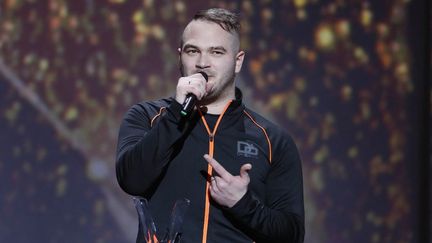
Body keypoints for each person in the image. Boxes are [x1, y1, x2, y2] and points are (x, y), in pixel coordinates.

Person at [116, 8, 305, 243]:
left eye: (216, 52)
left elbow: (292, 235)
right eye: (193, 51)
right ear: (180, 56)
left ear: (237, 62)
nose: (202, 63)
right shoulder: (147, 116)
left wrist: (243, 205)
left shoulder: (272, 140)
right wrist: (177, 114)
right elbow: (131, 180)